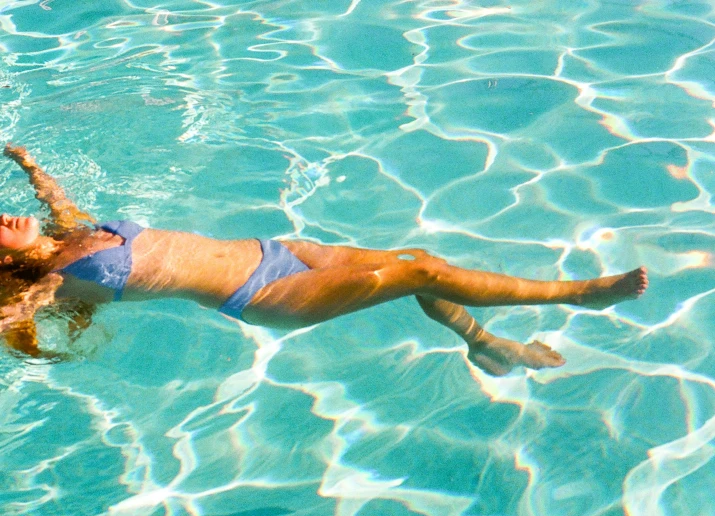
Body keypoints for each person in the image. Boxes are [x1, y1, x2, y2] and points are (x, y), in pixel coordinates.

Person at [0, 143, 648, 374]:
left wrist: (28, 162)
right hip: (267, 297)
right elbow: (12, 319)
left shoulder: (67, 235)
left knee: (417, 259)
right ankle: (577, 292)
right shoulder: (54, 282)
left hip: (281, 253)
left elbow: (54, 197)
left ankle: (484, 344)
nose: (3, 220)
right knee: (419, 274)